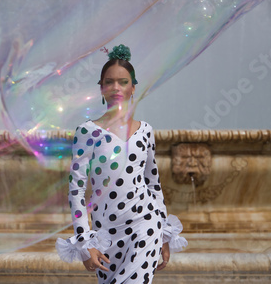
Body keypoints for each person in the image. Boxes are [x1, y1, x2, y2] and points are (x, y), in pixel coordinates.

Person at [56, 44, 187, 283]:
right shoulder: (87, 132)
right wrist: (84, 241)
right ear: (102, 88)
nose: (116, 87)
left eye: (123, 81)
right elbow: (76, 190)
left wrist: (165, 236)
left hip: (145, 224)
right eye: (109, 81)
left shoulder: (145, 131)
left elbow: (153, 185)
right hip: (106, 234)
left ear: (133, 88)